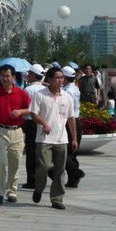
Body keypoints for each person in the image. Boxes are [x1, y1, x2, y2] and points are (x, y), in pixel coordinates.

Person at [0, 64, 31, 205]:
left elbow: (32, 109)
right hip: (0, 131)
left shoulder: (21, 93)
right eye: (2, 75)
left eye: (7, 76)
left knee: (14, 162)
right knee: (1, 162)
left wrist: (21, 112)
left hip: (17, 131)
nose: (4, 78)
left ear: (13, 77)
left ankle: (11, 191)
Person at [30, 67, 78, 210]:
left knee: (60, 170)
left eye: (62, 78)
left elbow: (71, 118)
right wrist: (44, 123)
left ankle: (57, 198)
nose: (60, 80)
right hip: (44, 139)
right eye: (57, 78)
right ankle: (39, 188)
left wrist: (74, 138)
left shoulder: (67, 96)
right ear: (49, 79)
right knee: (43, 167)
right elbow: (33, 114)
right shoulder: (40, 95)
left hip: (61, 139)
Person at [21, 64, 46, 190]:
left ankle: (32, 180)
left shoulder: (28, 90)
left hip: (31, 122)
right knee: (41, 151)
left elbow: (27, 108)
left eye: (29, 74)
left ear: (33, 75)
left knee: (31, 152)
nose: (27, 76)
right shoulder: (44, 89)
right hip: (43, 122)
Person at [62, 66, 85, 187]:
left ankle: (76, 173)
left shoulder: (67, 91)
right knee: (72, 153)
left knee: (66, 152)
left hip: (69, 121)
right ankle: (73, 179)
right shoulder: (75, 88)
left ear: (65, 77)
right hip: (75, 119)